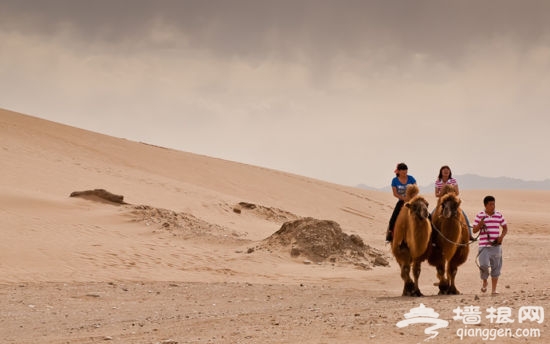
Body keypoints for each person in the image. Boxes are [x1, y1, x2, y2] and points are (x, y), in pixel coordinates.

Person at [472, 195, 508, 295]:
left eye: (494, 204)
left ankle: (494, 290)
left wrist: (501, 237)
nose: (493, 206)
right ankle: (484, 281)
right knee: (483, 265)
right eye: (490, 204)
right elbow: (474, 230)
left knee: (496, 267)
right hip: (483, 246)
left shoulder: (499, 215)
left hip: (496, 246)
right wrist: (480, 224)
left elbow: (505, 228)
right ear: (485, 205)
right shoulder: (480, 215)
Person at [434, 165, 474, 241]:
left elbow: (457, 192)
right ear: (441, 172)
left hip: (452, 203)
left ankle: (469, 234)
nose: (446, 171)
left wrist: (450, 194)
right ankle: (432, 235)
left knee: (463, 215)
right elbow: (436, 194)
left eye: (447, 170)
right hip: (442, 203)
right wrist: (442, 191)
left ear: (450, 172)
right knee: (432, 215)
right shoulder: (438, 181)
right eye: (444, 170)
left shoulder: (453, 181)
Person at [385, 163, 416, 243]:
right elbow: (395, 193)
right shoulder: (394, 180)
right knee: (393, 217)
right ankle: (389, 234)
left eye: (406, 171)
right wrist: (404, 198)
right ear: (398, 171)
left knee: (426, 214)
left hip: (413, 200)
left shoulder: (411, 178)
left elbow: (415, 189)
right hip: (401, 201)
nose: (405, 173)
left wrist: (410, 198)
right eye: (403, 172)